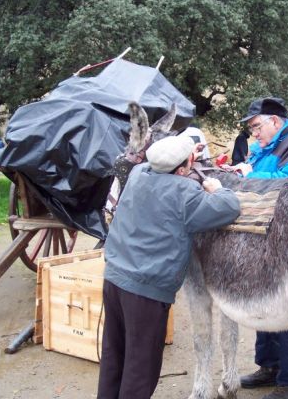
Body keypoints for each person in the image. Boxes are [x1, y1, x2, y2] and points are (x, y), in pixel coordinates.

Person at [97, 135, 240, 399]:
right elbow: (228, 207)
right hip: (146, 292)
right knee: (141, 367)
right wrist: (216, 188)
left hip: (114, 279)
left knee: (114, 356)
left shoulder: (138, 173)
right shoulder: (185, 193)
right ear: (184, 169)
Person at [236, 97, 288, 399]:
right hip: (266, 235)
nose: (254, 134)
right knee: (264, 301)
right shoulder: (263, 148)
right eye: (251, 129)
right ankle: (268, 367)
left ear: (274, 121)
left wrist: (248, 176)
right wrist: (242, 171)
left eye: (257, 126)